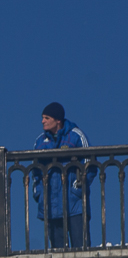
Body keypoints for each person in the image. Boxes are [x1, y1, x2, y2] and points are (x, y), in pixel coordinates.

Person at [32, 102, 94, 249]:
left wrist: (78, 188)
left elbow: (90, 163)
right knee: (58, 253)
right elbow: (35, 170)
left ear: (58, 120)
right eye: (42, 118)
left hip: (75, 203)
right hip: (51, 204)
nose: (43, 121)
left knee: (82, 249)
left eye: (47, 118)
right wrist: (39, 194)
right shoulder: (40, 141)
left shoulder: (76, 135)